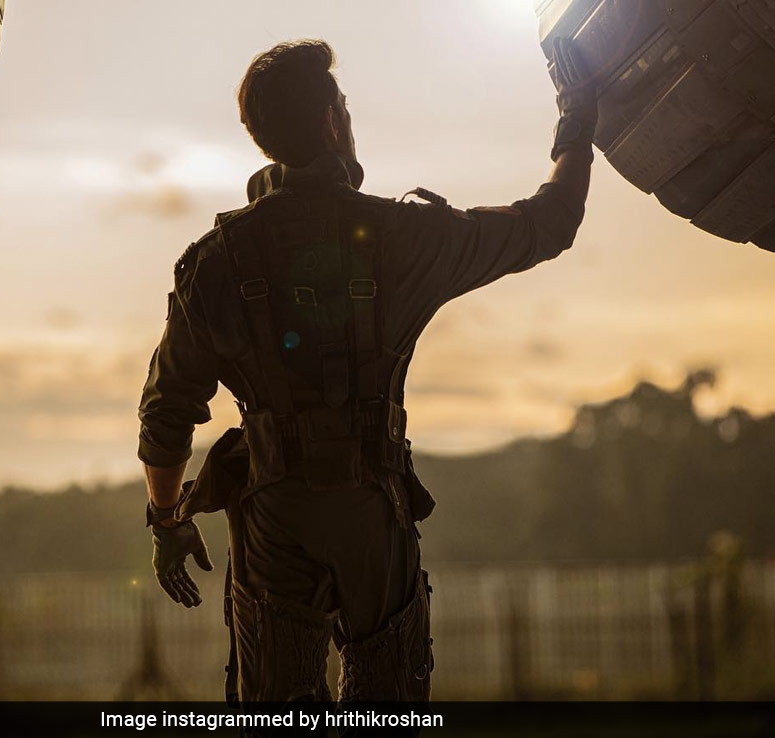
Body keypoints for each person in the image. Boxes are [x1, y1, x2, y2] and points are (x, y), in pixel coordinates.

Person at [137, 37, 596, 713]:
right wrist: (576, 119)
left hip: (272, 518)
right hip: (372, 517)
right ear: (331, 120)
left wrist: (168, 519)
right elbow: (551, 222)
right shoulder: (404, 237)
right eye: (344, 108)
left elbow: (167, 414)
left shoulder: (218, 260)